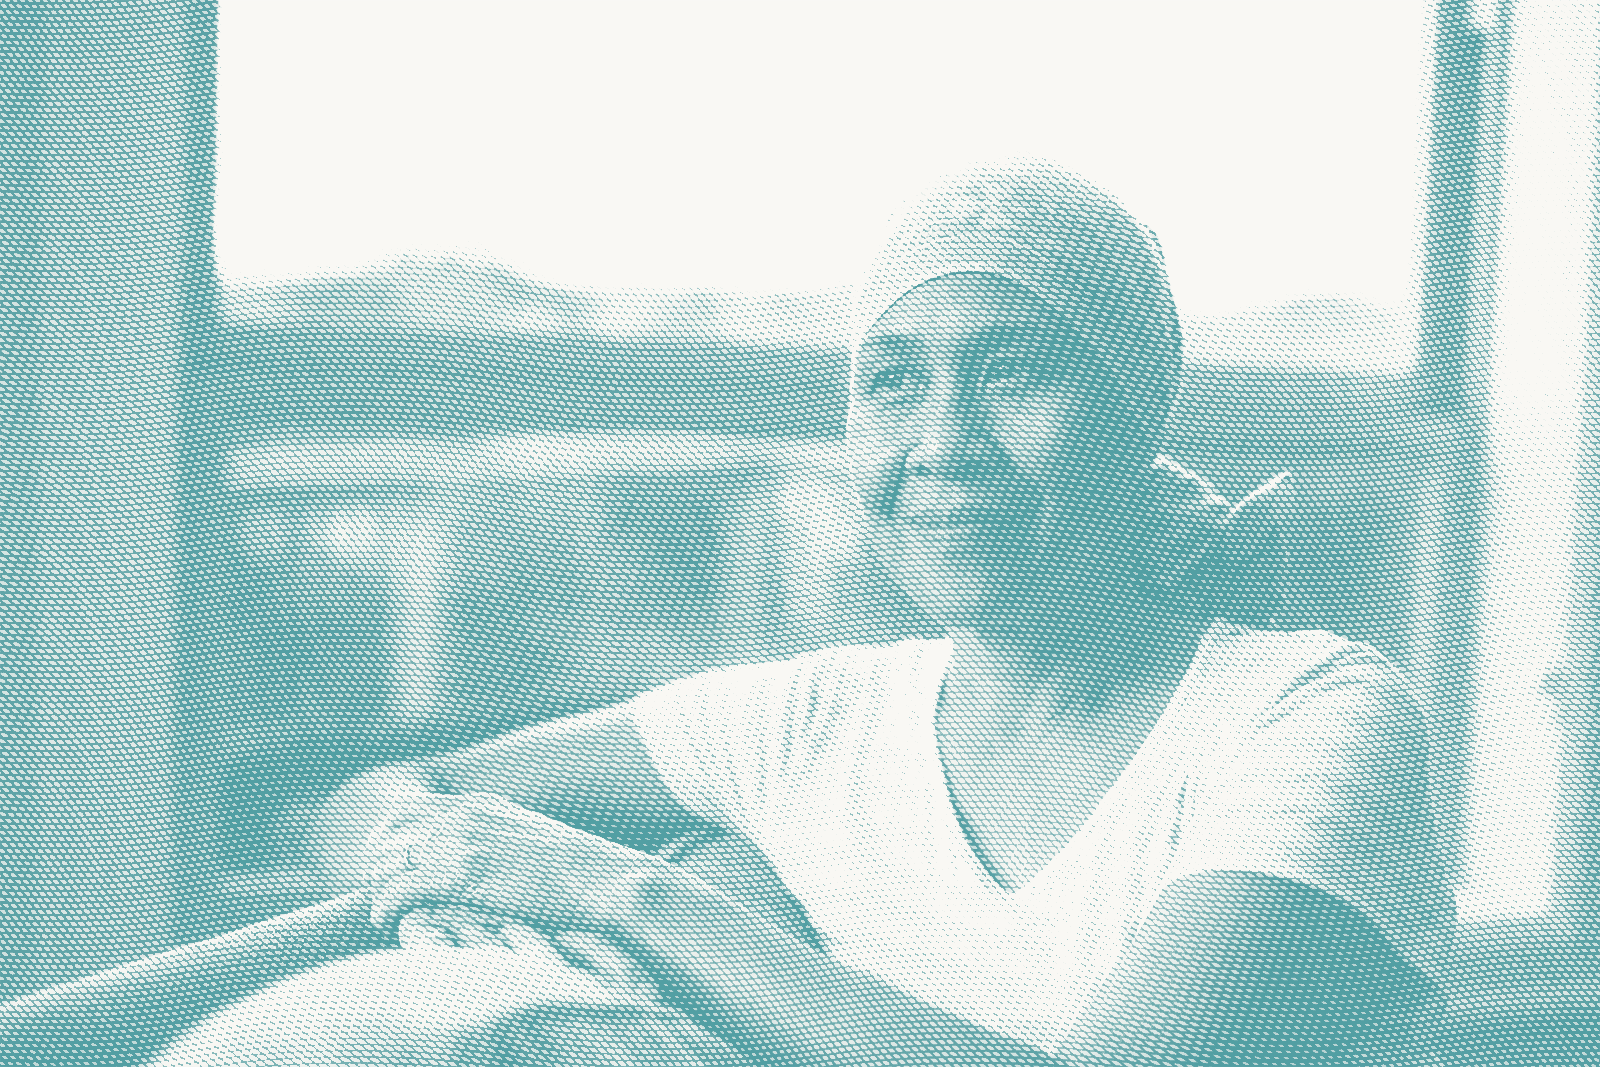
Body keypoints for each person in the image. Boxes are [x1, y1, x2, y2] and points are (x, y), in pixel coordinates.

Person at [184, 159, 1447, 1066]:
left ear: (1138, 414)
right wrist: (466, 892)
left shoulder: (1308, 717)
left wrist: (643, 899)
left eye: (1016, 371)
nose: (944, 441)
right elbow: (382, 793)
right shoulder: (816, 716)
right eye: (892, 382)